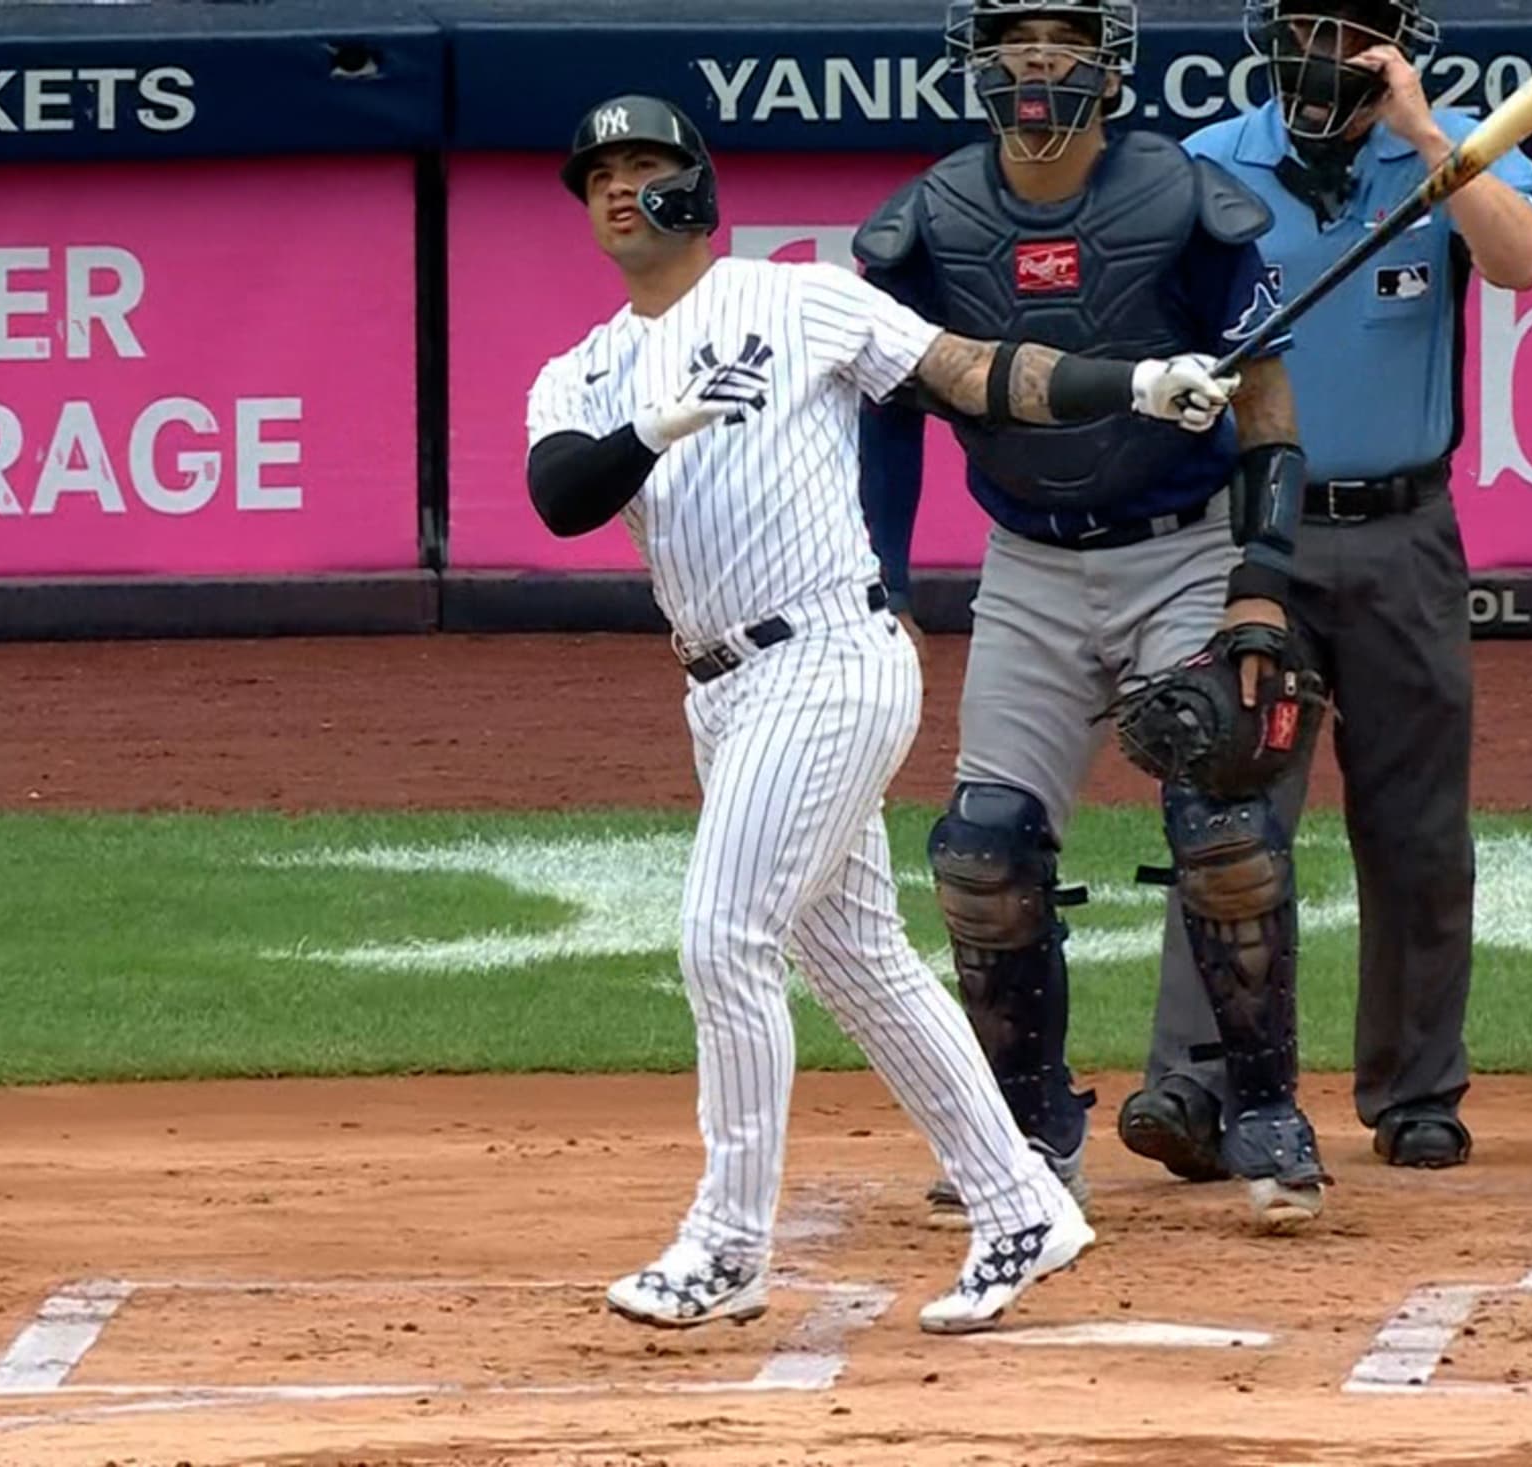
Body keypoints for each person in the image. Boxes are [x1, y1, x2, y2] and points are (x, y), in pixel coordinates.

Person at [525, 93, 1240, 1333]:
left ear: (695, 187)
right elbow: (560, 496)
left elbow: (971, 372)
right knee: (855, 959)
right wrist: (654, 425)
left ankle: (728, 1243)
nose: (617, 185)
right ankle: (1020, 1203)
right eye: (598, 171)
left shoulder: (795, 298)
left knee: (721, 937)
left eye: (644, 164)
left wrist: (1136, 381)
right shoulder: (576, 369)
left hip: (831, 656)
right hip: (722, 687)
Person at [860, 0, 1334, 1234]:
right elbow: (886, 412)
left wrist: (1258, 584)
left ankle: (1267, 1111)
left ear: (1107, 63)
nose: (1035, 65)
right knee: (981, 854)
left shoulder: (1184, 203)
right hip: (1025, 563)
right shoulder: (927, 224)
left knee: (1220, 829)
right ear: (974, 62)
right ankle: (1026, 1128)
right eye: (1012, 41)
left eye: (1061, 41)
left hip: (1183, 549)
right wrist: (887, 584)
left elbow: (1268, 404)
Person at [1171, 0, 1532, 1171]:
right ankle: (1196, 1089)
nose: (1322, 54)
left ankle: (1416, 1090)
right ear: (1266, 38)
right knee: (1229, 816)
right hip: (1249, 539)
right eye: (1301, 26)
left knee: (1417, 830)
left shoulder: (1463, 146)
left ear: (1394, 47)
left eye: (1350, 33)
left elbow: (1522, 260)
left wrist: (1432, 143)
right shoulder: (1204, 165)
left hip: (1403, 532)